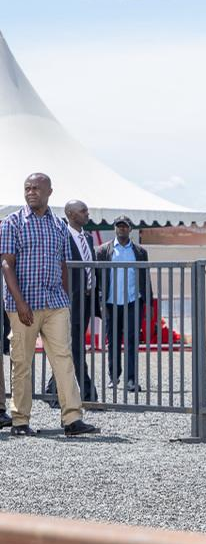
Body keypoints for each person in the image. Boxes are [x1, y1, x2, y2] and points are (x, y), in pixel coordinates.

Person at [0, 173, 97, 436]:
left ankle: (72, 419)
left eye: (36, 188)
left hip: (55, 303)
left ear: (49, 192)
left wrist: (64, 297)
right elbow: (7, 263)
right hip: (23, 305)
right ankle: (20, 421)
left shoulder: (59, 227)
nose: (31, 192)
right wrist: (19, 302)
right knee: (21, 362)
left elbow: (64, 264)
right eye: (27, 188)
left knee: (64, 359)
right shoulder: (13, 223)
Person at [46, 200, 97, 403]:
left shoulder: (89, 238)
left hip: (86, 300)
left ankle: (52, 390)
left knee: (73, 345)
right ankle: (85, 390)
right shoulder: (62, 236)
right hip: (69, 300)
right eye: (83, 211)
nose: (87, 214)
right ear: (70, 214)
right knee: (72, 345)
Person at [94, 215, 149, 393]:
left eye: (125, 226)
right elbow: (98, 278)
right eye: (119, 226)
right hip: (111, 302)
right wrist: (99, 300)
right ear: (115, 229)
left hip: (133, 301)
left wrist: (147, 299)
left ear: (130, 229)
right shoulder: (103, 250)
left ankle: (131, 379)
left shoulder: (140, 252)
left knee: (132, 341)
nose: (122, 229)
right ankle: (114, 376)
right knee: (113, 341)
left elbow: (144, 277)